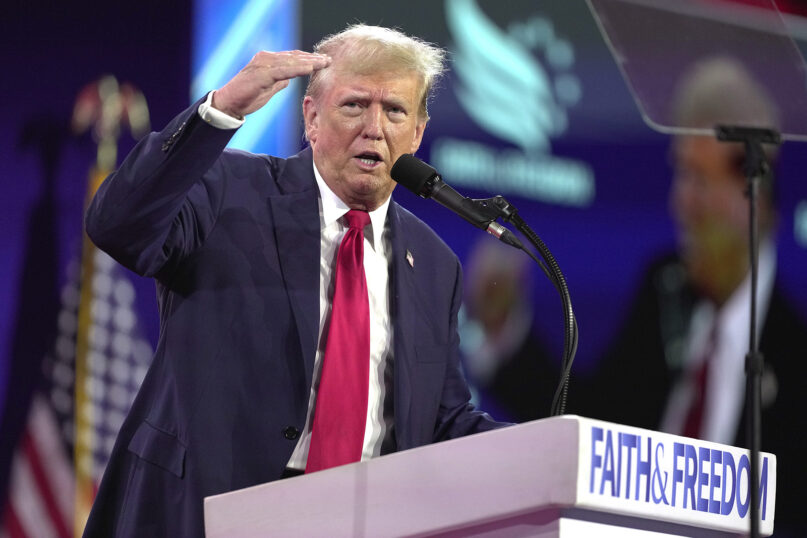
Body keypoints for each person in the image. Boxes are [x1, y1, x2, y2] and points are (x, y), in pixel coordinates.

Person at [83, 24, 508, 537]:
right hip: (206, 513)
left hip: (361, 523)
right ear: (311, 116)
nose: (374, 127)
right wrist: (221, 111)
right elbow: (118, 226)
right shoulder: (229, 190)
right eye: (354, 105)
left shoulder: (435, 263)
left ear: (417, 133)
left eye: (395, 110)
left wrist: (550, 447)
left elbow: (442, 421)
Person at [581, 57, 807, 536]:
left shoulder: (797, 357)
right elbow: (590, 428)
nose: (679, 202)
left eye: (698, 181)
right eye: (679, 177)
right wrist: (507, 336)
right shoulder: (663, 288)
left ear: (753, 195)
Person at [460, 237, 557, 422]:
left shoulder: (537, 364)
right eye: (488, 286)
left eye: (500, 285)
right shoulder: (452, 345)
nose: (493, 296)